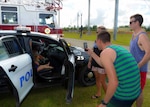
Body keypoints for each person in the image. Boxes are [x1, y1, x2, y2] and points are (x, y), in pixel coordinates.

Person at [86, 31, 141, 107]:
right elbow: (102, 63)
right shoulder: (116, 48)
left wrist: (104, 103)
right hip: (135, 90)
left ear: (99, 41)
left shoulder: (105, 53)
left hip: (125, 94)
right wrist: (92, 53)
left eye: (96, 41)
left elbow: (114, 82)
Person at [129, 14, 150, 107]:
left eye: (131, 22)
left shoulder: (142, 36)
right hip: (133, 68)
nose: (129, 24)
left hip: (140, 70)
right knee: (132, 90)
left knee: (139, 91)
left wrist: (138, 66)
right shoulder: (134, 35)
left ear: (137, 23)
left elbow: (149, 53)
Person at [88, 26, 107, 99]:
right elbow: (93, 51)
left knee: (102, 81)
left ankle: (108, 97)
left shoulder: (105, 42)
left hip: (102, 63)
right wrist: (90, 61)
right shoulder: (96, 41)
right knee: (97, 78)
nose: (97, 33)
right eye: (97, 32)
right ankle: (98, 93)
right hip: (95, 62)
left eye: (98, 32)